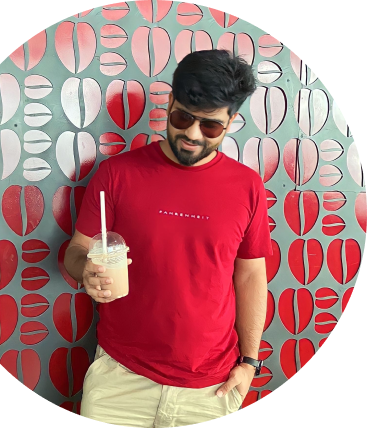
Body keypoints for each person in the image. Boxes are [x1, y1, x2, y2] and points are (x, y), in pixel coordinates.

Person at [64, 49, 273, 426]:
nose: (192, 134)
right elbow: (77, 250)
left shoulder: (247, 186)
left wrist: (250, 362)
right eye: (182, 118)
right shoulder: (117, 174)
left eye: (210, 126)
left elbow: (251, 275)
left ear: (231, 122)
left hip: (211, 388)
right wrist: (86, 270)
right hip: (119, 379)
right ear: (170, 103)